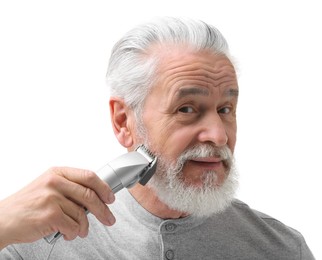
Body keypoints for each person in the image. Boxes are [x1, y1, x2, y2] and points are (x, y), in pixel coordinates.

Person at [0, 17, 315, 259]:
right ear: (124, 121)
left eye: (225, 109)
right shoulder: (34, 241)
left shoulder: (283, 249)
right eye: (187, 108)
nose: (219, 136)